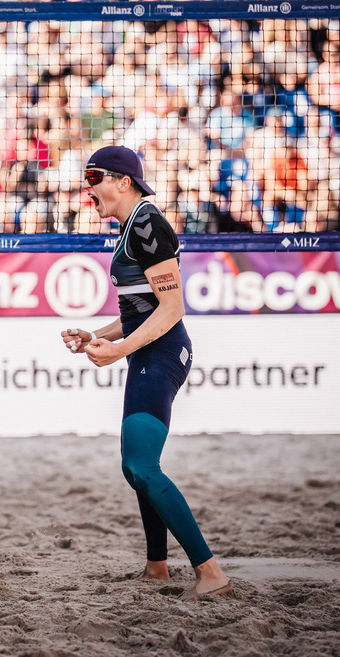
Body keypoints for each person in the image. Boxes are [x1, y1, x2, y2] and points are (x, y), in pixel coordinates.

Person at [61, 146, 232, 602]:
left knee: (140, 464)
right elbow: (142, 311)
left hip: (162, 353)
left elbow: (172, 309)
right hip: (146, 351)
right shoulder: (128, 227)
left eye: (94, 177)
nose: (88, 188)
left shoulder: (147, 222)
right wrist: (95, 334)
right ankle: (158, 567)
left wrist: (118, 350)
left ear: (123, 180)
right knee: (134, 467)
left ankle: (210, 572)